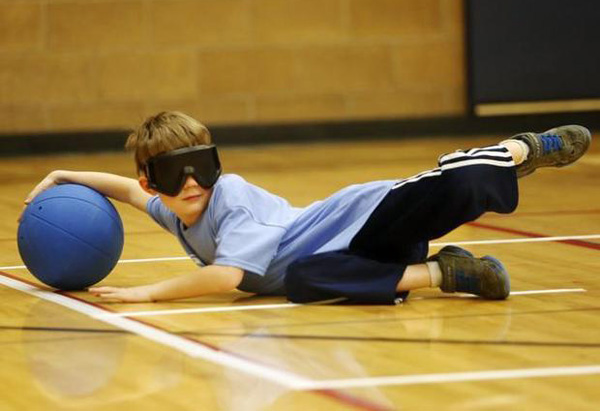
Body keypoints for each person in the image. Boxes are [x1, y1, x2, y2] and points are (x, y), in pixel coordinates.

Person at [22, 111, 592, 304]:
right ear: (155, 181)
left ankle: (521, 149)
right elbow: (124, 189)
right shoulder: (173, 210)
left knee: (460, 190)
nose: (193, 184)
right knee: (304, 282)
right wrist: (63, 173)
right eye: (175, 175)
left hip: (366, 217)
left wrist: (148, 292)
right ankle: (449, 271)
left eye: (202, 168)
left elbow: (226, 277)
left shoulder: (233, 198)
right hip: (353, 261)